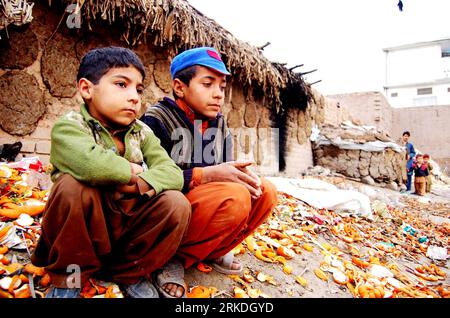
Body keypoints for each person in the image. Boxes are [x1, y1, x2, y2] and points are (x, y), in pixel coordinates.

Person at [31, 47, 191, 298]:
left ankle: (126, 273)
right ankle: (68, 278)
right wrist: (129, 170)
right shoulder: (70, 126)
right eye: (121, 84)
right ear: (86, 89)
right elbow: (91, 164)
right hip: (84, 230)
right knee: (72, 186)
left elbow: (173, 173)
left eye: (138, 89)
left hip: (124, 228)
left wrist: (140, 182)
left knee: (176, 203)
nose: (134, 97)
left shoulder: (142, 132)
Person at [140, 46, 278, 298]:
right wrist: (209, 176)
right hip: (170, 210)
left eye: (222, 87)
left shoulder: (218, 123)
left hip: (204, 203)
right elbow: (147, 181)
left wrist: (241, 175)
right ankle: (172, 258)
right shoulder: (156, 120)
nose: (218, 94)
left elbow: (226, 169)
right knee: (234, 198)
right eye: (208, 84)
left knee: (265, 191)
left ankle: (212, 250)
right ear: (180, 87)